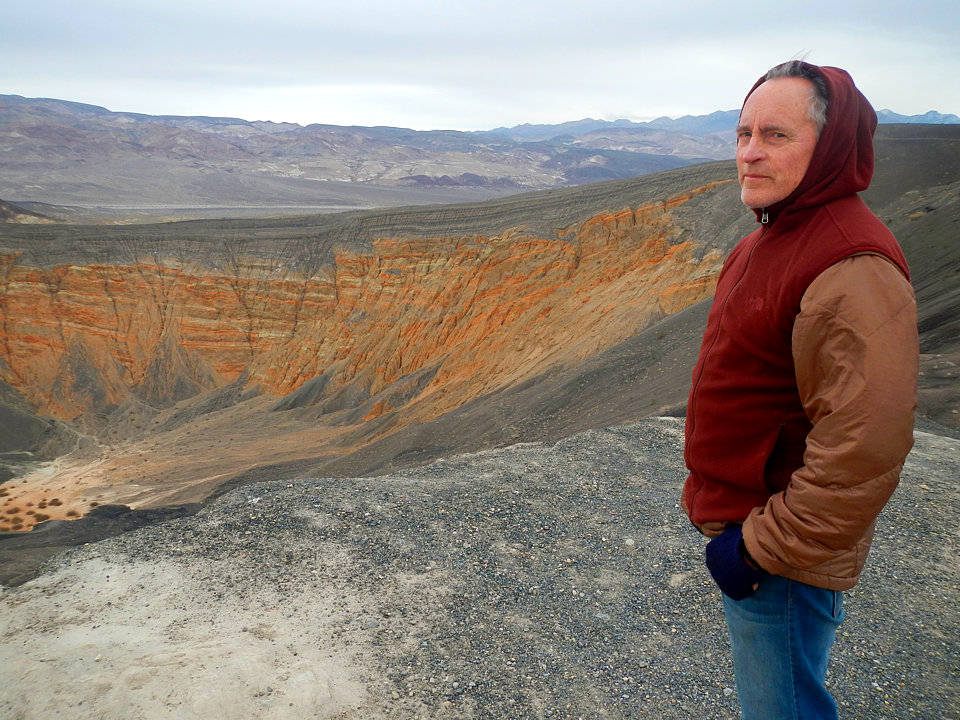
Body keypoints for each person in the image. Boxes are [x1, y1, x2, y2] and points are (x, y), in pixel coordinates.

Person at [681, 60, 918, 719]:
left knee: (782, 708)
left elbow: (865, 444)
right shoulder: (775, 234)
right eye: (743, 132)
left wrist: (757, 548)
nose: (750, 153)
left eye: (776, 135)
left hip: (779, 550)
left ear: (831, 146)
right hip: (760, 534)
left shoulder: (851, 266)